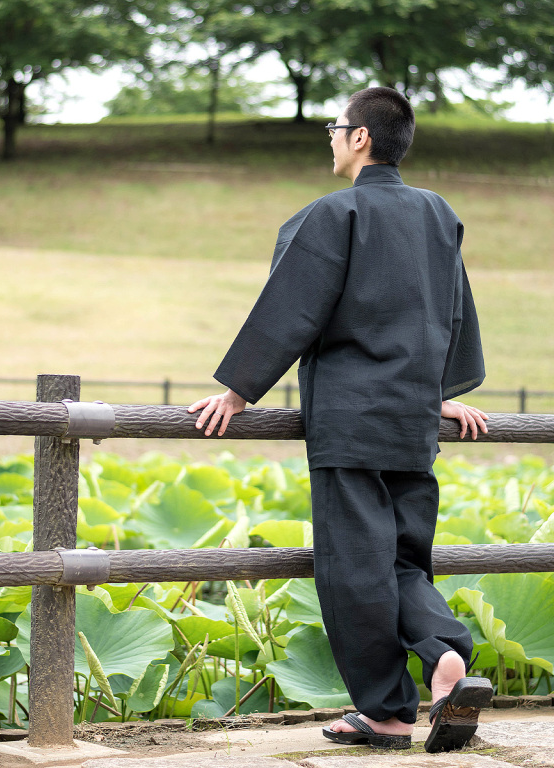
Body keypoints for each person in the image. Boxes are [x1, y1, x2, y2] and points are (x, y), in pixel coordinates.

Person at [188, 86, 492, 753]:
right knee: (405, 559)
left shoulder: (334, 214)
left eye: (335, 126)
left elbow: (293, 308)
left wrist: (238, 392)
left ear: (360, 138)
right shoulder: (439, 215)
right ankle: (444, 656)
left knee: (356, 565)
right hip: (412, 422)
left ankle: (385, 713)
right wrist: (441, 389)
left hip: (350, 422)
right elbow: (452, 310)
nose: (329, 137)